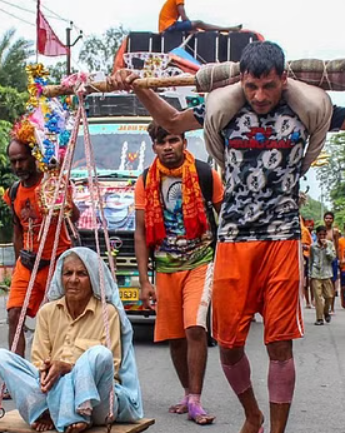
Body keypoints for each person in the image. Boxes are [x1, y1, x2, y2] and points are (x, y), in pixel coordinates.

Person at [110, 41, 345, 433]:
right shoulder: (224, 111)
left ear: (283, 80)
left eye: (268, 87)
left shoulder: (307, 111)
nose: (259, 97)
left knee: (279, 345)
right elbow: (173, 122)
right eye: (251, 87)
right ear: (242, 82)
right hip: (231, 239)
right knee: (228, 347)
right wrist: (137, 87)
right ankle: (252, 414)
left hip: (281, 238)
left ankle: (274, 430)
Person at [0, 247, 144, 433]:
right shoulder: (47, 312)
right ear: (60, 278)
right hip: (53, 392)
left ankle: (78, 413)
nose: (73, 280)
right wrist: (48, 371)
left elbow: (113, 366)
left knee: (100, 353)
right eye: (68, 273)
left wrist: (67, 367)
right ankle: (50, 411)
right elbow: (38, 362)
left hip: (98, 402)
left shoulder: (107, 313)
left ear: (93, 278)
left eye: (82, 274)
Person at [133, 122, 223, 425]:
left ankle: (196, 400)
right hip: (165, 268)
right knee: (174, 336)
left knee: (194, 328)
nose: (168, 147)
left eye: (173, 140)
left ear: (184, 142)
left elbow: (227, 218)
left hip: (200, 261)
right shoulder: (145, 180)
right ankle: (187, 393)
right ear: (154, 147)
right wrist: (145, 281)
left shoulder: (206, 174)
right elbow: (141, 231)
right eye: (162, 143)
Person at [4, 126, 80, 364]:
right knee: (15, 314)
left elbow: (73, 217)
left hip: (55, 264)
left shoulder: (54, 184)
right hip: (27, 265)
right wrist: (19, 262)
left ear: (34, 157)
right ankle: (17, 373)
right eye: (13, 161)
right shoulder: (14, 192)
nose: (18, 166)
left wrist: (64, 203)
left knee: (54, 319)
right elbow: (17, 228)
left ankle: (51, 369)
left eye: (22, 160)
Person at [158, 0, 242, 34]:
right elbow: (184, 18)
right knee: (199, 23)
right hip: (169, 26)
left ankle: (226, 29)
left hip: (168, 26)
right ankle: (227, 29)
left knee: (197, 26)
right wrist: (192, 27)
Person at [310, 226, 336, 325]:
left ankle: (326, 311)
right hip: (316, 273)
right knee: (318, 297)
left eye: (323, 235)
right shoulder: (313, 246)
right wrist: (310, 274)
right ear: (316, 235)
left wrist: (326, 249)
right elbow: (311, 261)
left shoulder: (330, 245)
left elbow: (333, 258)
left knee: (329, 296)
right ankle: (319, 318)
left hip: (326, 273)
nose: (321, 237)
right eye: (319, 235)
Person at [323, 212, 340, 313]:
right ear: (324, 219)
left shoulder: (335, 232)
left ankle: (332, 307)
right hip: (323, 260)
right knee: (324, 283)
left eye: (330, 218)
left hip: (332, 259)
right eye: (326, 218)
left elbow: (337, 246)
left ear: (333, 219)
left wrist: (339, 260)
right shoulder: (321, 231)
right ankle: (325, 305)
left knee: (332, 283)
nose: (328, 220)